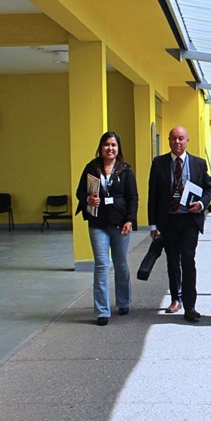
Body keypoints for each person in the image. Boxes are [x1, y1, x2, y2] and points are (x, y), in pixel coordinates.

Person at [148, 126, 211, 321]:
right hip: (168, 220)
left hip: (189, 220)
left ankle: (190, 305)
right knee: (172, 261)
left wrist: (202, 203)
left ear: (187, 141)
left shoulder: (198, 164)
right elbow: (152, 195)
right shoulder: (159, 163)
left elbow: (210, 190)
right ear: (168, 141)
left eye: (181, 138)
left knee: (188, 260)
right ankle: (175, 298)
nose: (177, 142)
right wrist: (153, 225)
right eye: (173, 139)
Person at [75, 132, 139, 326]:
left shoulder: (125, 170)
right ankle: (102, 310)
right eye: (106, 145)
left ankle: (123, 301)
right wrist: (88, 199)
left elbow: (133, 197)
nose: (109, 148)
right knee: (102, 265)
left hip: (120, 225)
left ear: (118, 148)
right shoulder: (91, 168)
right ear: (101, 147)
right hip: (98, 224)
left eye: (113, 145)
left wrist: (130, 220)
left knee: (120, 263)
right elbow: (79, 192)